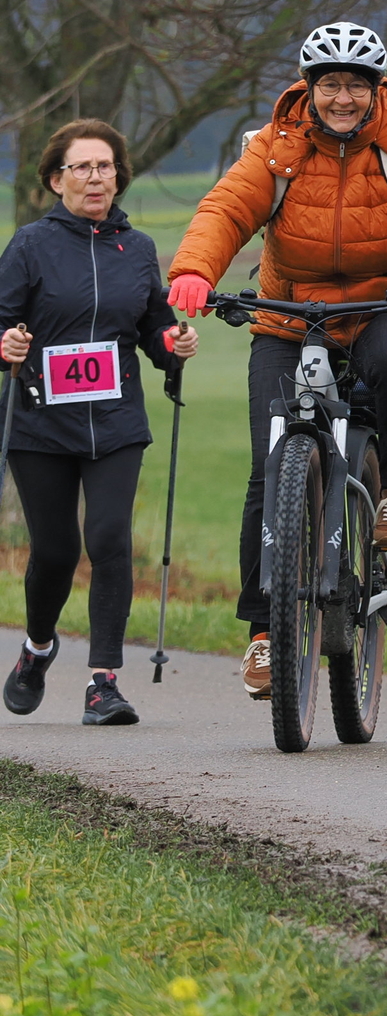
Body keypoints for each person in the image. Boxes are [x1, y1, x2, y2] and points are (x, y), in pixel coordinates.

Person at [166, 22, 387, 702]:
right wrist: (193, 269)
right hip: (291, 314)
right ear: (309, 88)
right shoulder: (278, 147)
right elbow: (226, 209)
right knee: (269, 466)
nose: (342, 98)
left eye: (355, 86)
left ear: (375, 90)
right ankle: (263, 632)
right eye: (330, 84)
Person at [0, 120, 199, 726]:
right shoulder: (30, 245)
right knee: (56, 551)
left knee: (110, 539)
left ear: (119, 176)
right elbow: (1, 322)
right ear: (55, 180)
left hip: (115, 420)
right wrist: (7, 344)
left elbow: (153, 327)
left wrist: (173, 344)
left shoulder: (137, 249)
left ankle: (103, 682)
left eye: (105, 166)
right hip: (41, 422)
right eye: (82, 167)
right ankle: (37, 648)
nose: (95, 177)